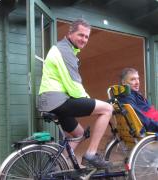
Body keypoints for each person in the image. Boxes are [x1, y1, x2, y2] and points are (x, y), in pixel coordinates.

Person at [38, 18, 113, 168]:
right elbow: (74, 85)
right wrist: (90, 101)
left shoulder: (65, 50)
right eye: (81, 35)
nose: (84, 39)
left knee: (79, 134)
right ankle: (91, 154)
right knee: (107, 109)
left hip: (52, 100)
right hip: (56, 100)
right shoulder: (64, 51)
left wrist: (89, 102)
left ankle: (56, 167)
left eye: (86, 37)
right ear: (70, 33)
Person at [118, 67, 158, 132]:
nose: (137, 82)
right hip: (151, 126)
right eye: (133, 79)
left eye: (138, 79)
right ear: (124, 82)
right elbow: (142, 119)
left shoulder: (135, 95)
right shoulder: (127, 98)